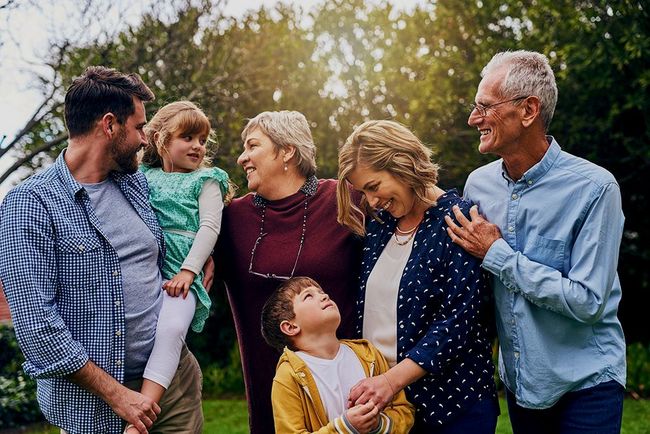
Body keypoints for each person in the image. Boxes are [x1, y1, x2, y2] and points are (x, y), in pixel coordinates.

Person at [0, 67, 203, 434]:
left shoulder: (137, 183)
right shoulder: (29, 204)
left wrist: (197, 258)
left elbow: (183, 224)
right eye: (139, 127)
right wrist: (119, 396)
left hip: (172, 383)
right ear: (109, 125)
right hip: (95, 404)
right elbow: (36, 327)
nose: (145, 140)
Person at [445, 50, 626, 434]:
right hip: (520, 386)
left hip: (587, 383)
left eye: (484, 107)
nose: (472, 119)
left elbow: (589, 300)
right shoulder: (478, 185)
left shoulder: (595, 189)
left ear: (528, 110)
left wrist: (497, 255)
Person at [337, 120, 498, 433]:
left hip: (452, 407)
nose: (371, 201)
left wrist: (390, 381)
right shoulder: (380, 226)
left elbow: (457, 323)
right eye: (363, 192)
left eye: (373, 186)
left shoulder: (459, 220)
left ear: (402, 164)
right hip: (390, 408)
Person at [215, 110, 361, 433]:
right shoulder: (230, 220)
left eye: (252, 146)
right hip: (271, 406)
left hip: (349, 399)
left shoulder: (344, 200)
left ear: (287, 151)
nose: (242, 158)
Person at [118, 101, 232, 434]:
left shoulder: (207, 179)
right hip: (149, 267)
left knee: (170, 331)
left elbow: (210, 227)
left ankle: (142, 414)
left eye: (202, 139)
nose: (198, 146)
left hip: (185, 273)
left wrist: (189, 270)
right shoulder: (142, 176)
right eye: (188, 137)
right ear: (162, 139)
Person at [261, 276, 414, 433]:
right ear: (290, 327)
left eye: (321, 292)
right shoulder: (288, 376)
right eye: (308, 295)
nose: (324, 296)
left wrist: (379, 425)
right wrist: (344, 428)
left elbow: (404, 411)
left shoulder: (368, 354)